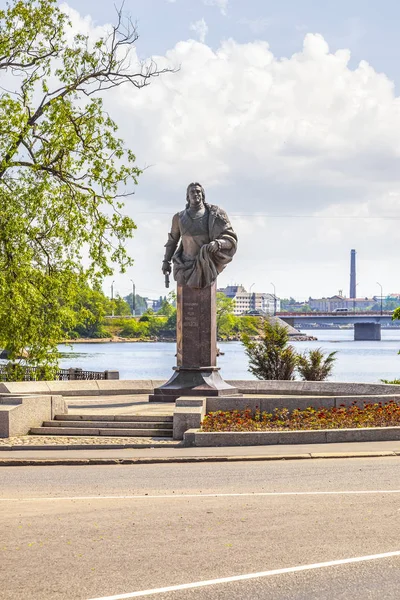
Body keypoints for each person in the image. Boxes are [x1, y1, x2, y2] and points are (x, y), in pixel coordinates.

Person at [162, 182, 238, 289]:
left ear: (203, 195)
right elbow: (172, 241)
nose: (195, 194)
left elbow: (230, 239)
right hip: (184, 267)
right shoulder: (178, 218)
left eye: (198, 191)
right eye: (192, 192)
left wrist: (218, 244)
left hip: (206, 267)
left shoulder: (215, 215)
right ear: (187, 196)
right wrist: (166, 261)